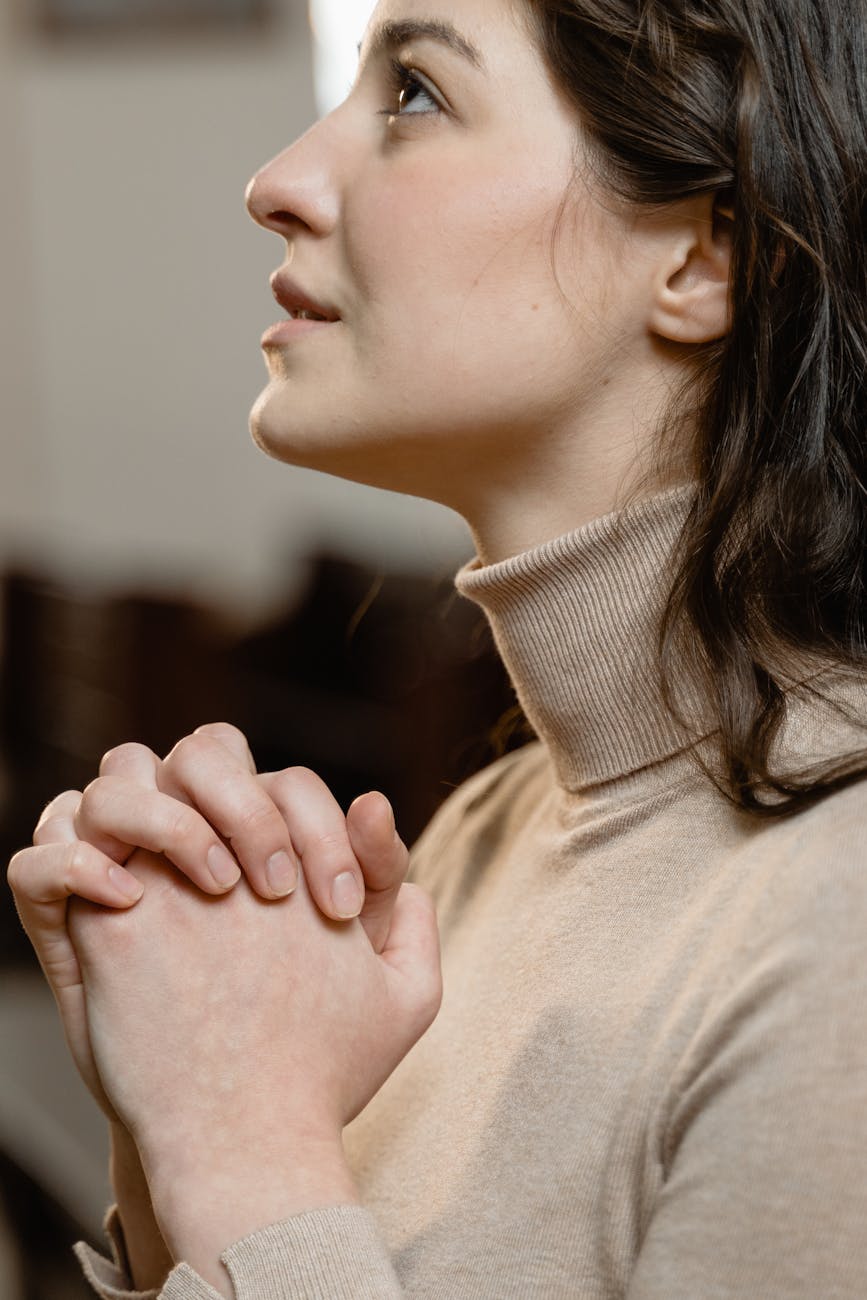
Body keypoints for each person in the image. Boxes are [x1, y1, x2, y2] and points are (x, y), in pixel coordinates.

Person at [7, 0, 867, 1295]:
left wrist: (245, 1155)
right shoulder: (485, 834)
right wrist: (173, 1119)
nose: (277, 181)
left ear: (699, 256)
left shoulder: (835, 938)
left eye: (416, 93)